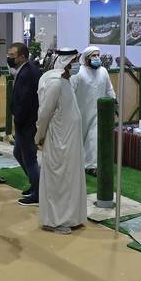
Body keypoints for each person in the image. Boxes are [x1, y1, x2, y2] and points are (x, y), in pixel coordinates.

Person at [35, 49, 87, 234]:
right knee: (58, 179)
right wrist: (39, 136)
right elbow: (44, 113)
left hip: (70, 140)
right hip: (58, 141)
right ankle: (54, 220)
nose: (77, 65)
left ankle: (70, 217)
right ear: (66, 62)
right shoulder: (56, 83)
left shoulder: (67, 82)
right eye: (74, 61)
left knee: (69, 178)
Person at [71, 46, 116, 176]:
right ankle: (77, 163)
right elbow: (71, 91)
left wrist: (114, 102)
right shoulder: (78, 72)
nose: (96, 58)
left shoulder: (103, 71)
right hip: (81, 111)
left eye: (98, 55)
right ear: (86, 58)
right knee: (79, 139)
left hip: (99, 112)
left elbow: (109, 89)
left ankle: (92, 166)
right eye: (93, 56)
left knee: (93, 138)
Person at [8, 42, 42, 206]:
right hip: (25, 122)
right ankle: (35, 184)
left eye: (12, 56)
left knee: (29, 158)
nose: (9, 58)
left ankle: (38, 193)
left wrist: (18, 120)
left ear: (22, 57)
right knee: (18, 153)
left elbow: (25, 101)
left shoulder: (28, 73)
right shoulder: (24, 70)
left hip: (27, 123)